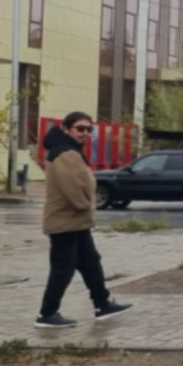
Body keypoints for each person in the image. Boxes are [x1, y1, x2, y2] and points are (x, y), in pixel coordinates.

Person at [37, 111, 132, 328]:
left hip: (76, 222)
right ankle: (47, 314)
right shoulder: (64, 153)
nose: (86, 133)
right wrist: (84, 206)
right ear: (67, 129)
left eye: (90, 129)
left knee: (90, 262)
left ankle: (102, 304)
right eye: (81, 129)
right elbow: (72, 188)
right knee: (63, 268)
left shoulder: (71, 151)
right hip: (65, 221)